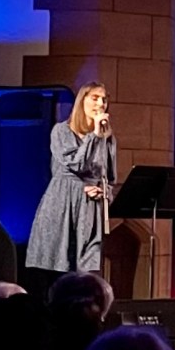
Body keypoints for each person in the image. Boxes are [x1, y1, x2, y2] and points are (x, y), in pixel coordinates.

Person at [26, 82, 116, 276]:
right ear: (81, 101)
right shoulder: (61, 131)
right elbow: (77, 164)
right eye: (95, 98)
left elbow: (109, 177)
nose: (101, 104)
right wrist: (95, 135)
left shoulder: (107, 138)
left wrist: (104, 192)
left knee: (88, 276)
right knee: (60, 273)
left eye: (104, 99)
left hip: (90, 213)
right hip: (63, 208)